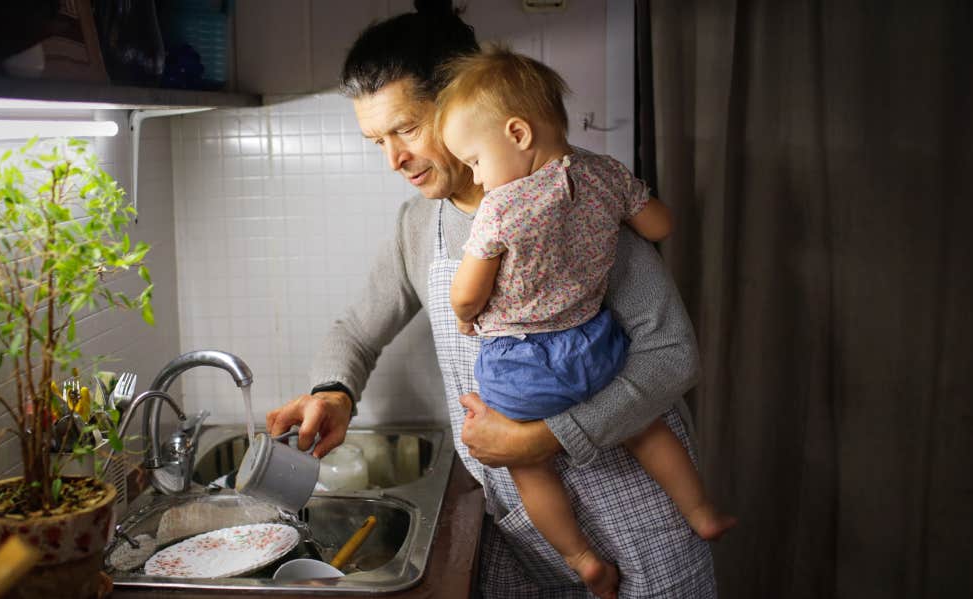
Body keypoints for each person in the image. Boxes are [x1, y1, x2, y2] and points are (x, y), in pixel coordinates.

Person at [265, 1, 717, 596]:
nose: (394, 160)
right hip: (524, 525)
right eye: (377, 140)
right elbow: (357, 327)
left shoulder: (577, 195)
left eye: (405, 128)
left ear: (461, 98)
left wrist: (544, 438)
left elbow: (673, 355)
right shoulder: (418, 225)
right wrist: (334, 391)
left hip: (635, 512)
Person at [433, 46, 736, 596]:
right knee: (647, 428)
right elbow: (660, 224)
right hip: (594, 343)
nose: (475, 175)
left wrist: (464, 316)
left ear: (518, 134)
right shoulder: (606, 174)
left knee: (528, 469)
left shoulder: (499, 207)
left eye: (475, 160)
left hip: (522, 362)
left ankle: (581, 558)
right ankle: (701, 510)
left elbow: (466, 294)